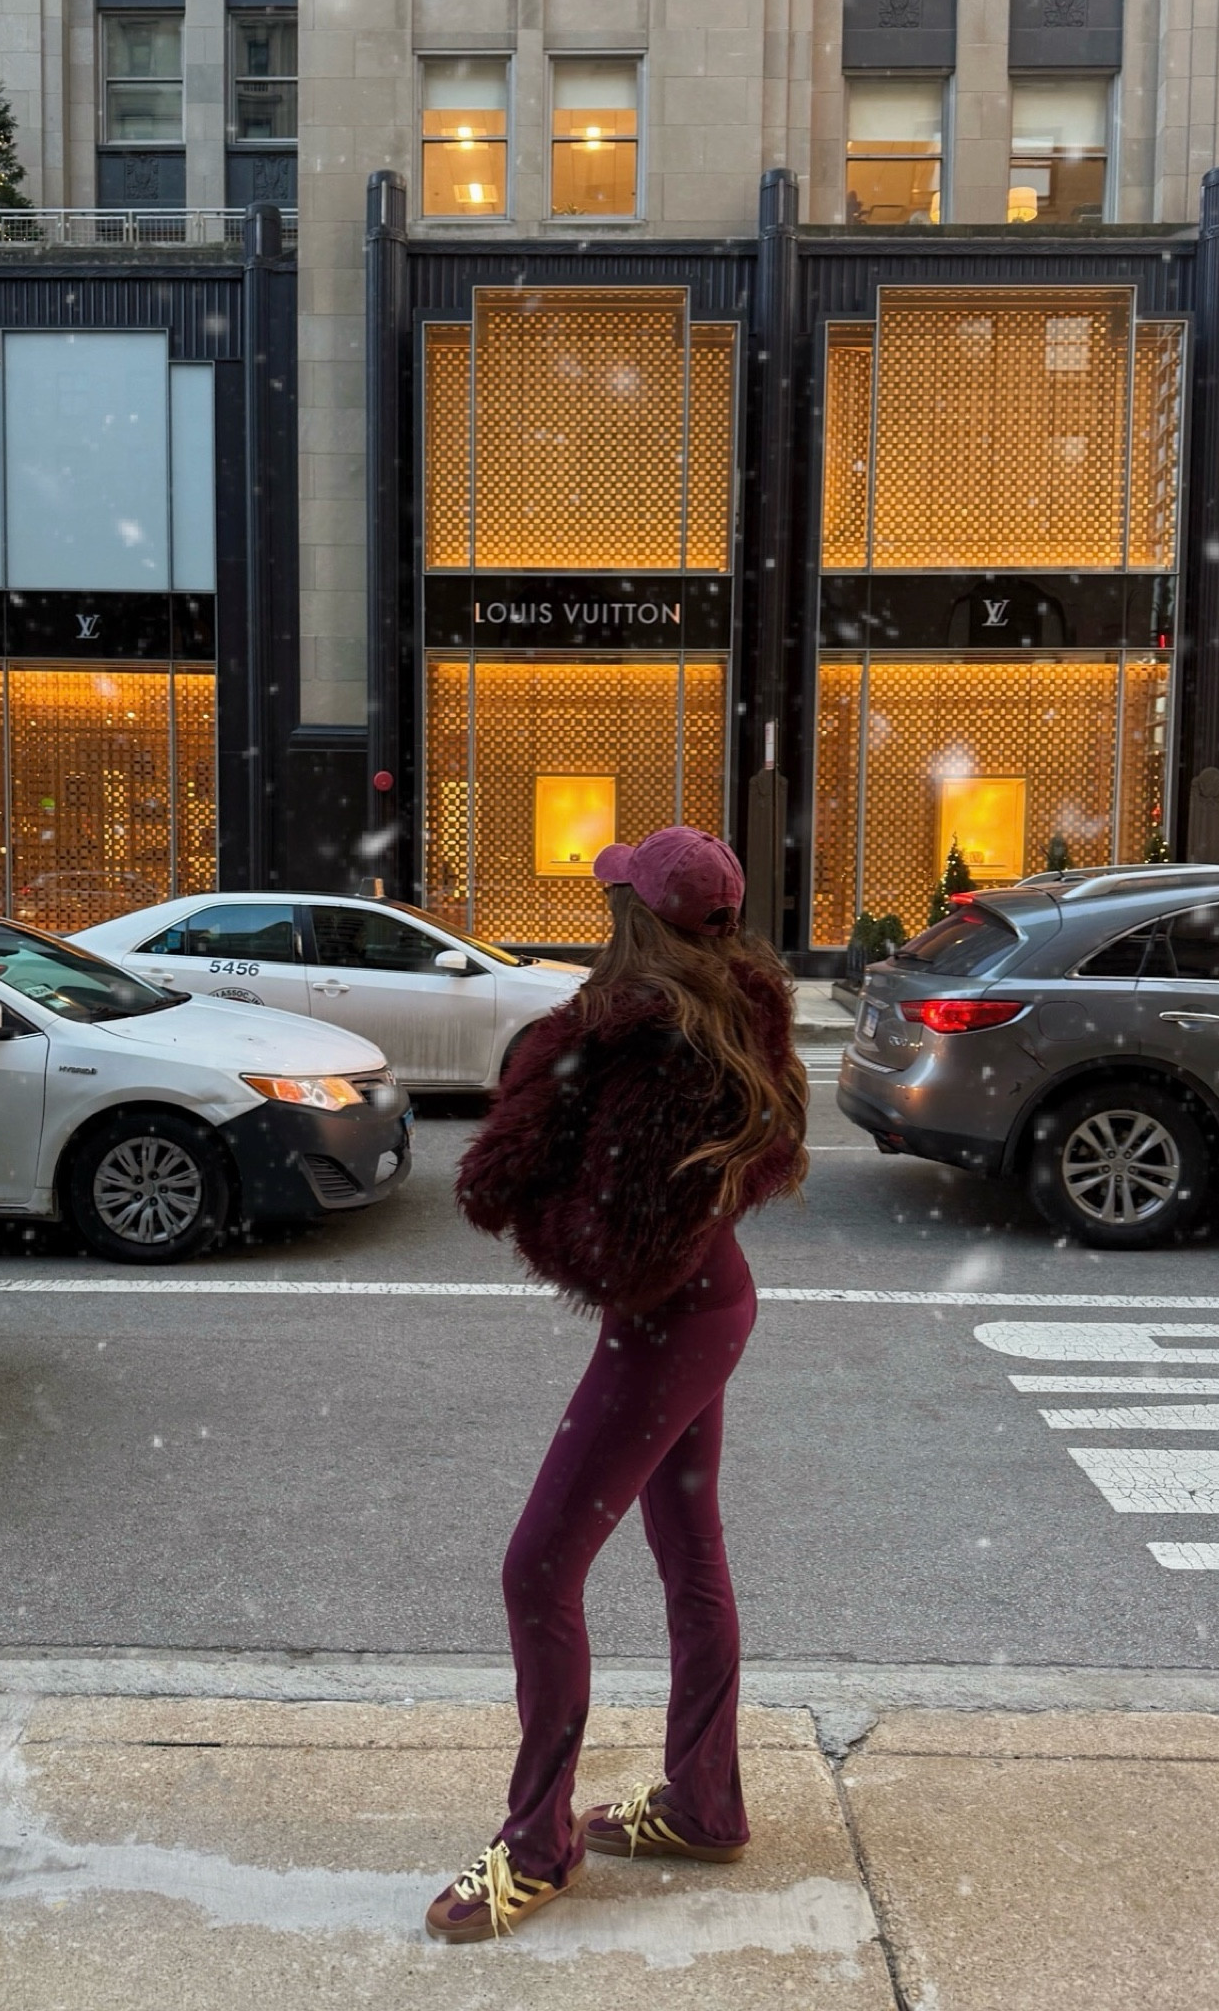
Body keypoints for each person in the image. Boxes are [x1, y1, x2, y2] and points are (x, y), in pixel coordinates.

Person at [425, 826, 810, 1943]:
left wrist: (524, 1183)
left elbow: (617, 1247)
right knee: (689, 1550)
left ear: (635, 918)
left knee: (538, 1568)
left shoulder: (656, 1050)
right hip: (709, 1301)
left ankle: (539, 1845)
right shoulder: (731, 1006)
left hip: (670, 1318)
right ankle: (704, 1803)